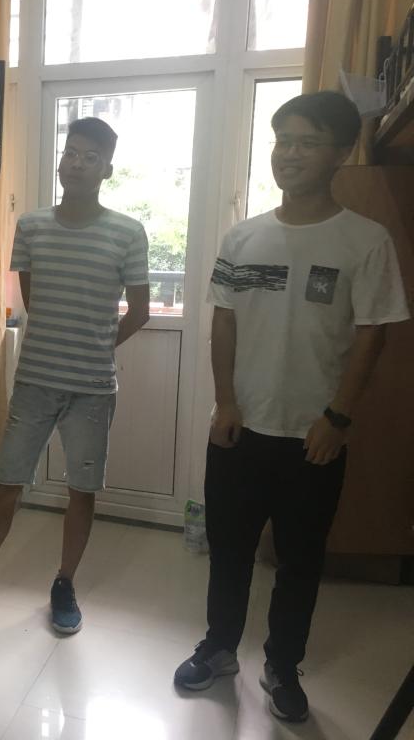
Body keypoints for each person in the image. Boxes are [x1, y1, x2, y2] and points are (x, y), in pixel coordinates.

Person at [173, 91, 410, 722]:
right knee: (228, 551)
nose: (290, 154)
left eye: (308, 142)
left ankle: (282, 665)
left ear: (341, 153)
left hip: (314, 436)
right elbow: (225, 320)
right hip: (239, 428)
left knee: (300, 562)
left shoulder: (365, 239)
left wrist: (338, 417)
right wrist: (225, 401)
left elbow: (374, 333)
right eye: (283, 141)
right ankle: (219, 647)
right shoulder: (245, 235)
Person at [0, 117, 150, 634]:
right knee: (5, 485)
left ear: (107, 169)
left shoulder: (127, 232)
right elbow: (34, 300)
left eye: (90, 156)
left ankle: (64, 584)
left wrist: (98, 344)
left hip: (92, 388)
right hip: (35, 382)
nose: (76, 162)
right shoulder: (31, 226)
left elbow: (139, 311)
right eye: (71, 152)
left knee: (82, 491)